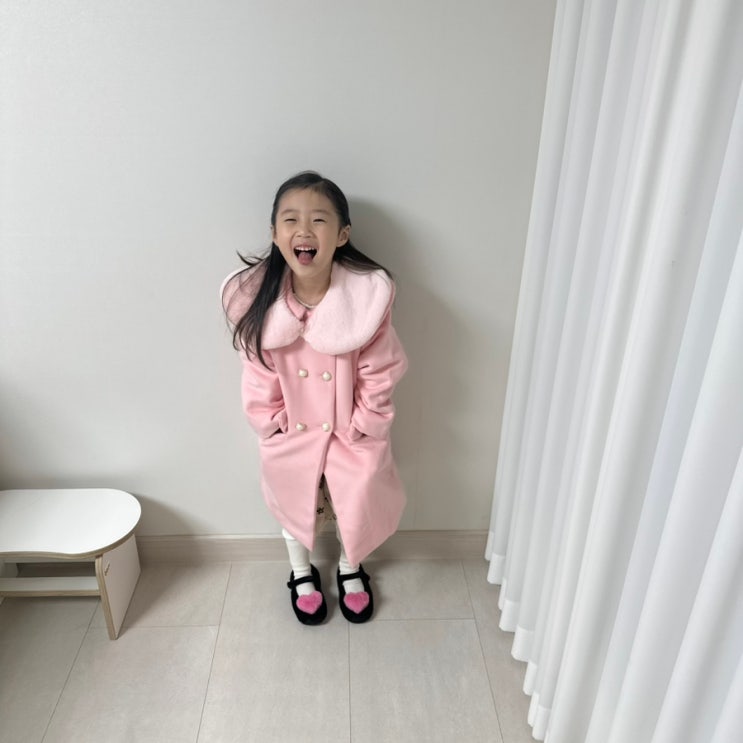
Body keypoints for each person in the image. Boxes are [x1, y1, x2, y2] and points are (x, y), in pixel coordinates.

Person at [221, 171, 407, 625]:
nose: (304, 230)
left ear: (342, 234)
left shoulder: (363, 303)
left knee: (356, 499)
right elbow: (257, 372)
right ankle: (301, 573)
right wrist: (271, 423)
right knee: (294, 500)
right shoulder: (258, 303)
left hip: (349, 429)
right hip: (292, 429)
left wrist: (366, 421)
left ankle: (350, 566)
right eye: (291, 220)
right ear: (274, 233)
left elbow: (381, 367)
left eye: (319, 220)